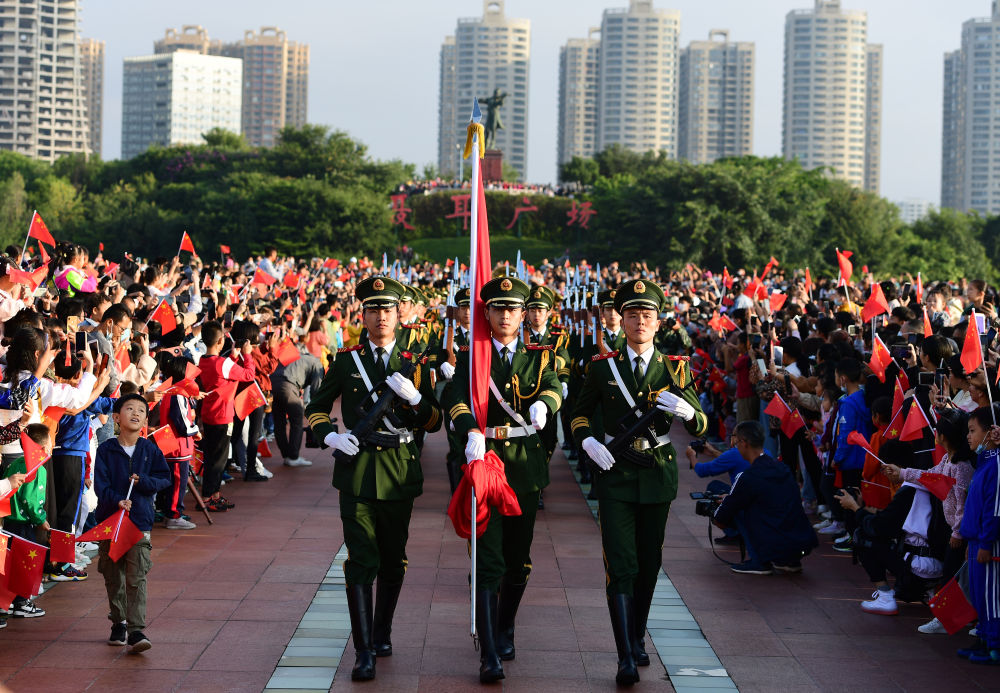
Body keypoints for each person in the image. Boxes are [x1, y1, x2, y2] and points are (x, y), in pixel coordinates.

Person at [305, 276, 441, 682]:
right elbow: (316, 406)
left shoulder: (416, 362)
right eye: (373, 310)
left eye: (388, 309)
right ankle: (363, 650)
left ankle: (382, 632)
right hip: (358, 469)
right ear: (361, 316)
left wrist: (416, 399)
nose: (381, 316)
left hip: (400, 467)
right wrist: (329, 434)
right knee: (361, 558)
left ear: (399, 314)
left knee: (393, 557)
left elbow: (434, 421)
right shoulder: (347, 360)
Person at [572, 278, 707, 685]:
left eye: (647, 315)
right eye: (632, 315)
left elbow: (701, 425)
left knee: (649, 564)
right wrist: (588, 439)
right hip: (615, 476)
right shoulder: (601, 367)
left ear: (659, 321)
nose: (639, 322)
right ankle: (624, 655)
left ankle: (636, 635)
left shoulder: (676, 368)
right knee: (621, 564)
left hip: (656, 474)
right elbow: (579, 414)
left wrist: (687, 411)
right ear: (623, 321)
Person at [444, 275, 563, 683]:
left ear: (524, 312)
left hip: (525, 467)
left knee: (518, 560)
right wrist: (468, 429)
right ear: (487, 313)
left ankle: (505, 625)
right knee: (487, 559)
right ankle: (489, 652)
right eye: (498, 308)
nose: (507, 315)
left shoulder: (539, 356)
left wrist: (546, 405)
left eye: (514, 308)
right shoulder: (473, 356)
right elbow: (455, 397)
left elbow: (553, 386)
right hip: (487, 463)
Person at [94, 393, 171, 654]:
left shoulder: (149, 449)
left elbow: (164, 478)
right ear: (116, 418)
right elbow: (100, 486)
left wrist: (144, 483)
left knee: (137, 576)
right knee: (113, 575)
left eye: (141, 410)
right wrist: (117, 500)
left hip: (139, 522)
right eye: (129, 409)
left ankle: (136, 630)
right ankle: (119, 622)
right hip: (111, 523)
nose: (136, 413)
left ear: (146, 420)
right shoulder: (106, 450)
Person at [713, 421, 819, 575]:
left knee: (738, 508)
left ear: (744, 443)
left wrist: (729, 500)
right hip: (803, 542)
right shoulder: (782, 468)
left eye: (737, 442)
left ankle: (759, 561)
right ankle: (789, 561)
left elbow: (720, 519)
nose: (735, 445)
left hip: (774, 545)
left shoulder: (747, 477)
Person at [196, 321, 257, 512]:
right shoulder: (221, 364)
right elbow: (249, 375)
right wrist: (247, 354)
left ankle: (214, 495)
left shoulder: (204, 360)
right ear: (221, 340)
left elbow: (222, 373)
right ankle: (207, 497)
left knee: (215, 457)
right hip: (222, 415)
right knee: (218, 460)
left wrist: (234, 355)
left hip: (210, 413)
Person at [958, 405, 1000, 663]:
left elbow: (994, 509)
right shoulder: (986, 462)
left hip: (989, 545)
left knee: (992, 594)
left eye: (973, 431)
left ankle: (995, 646)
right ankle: (984, 639)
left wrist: (985, 542)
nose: (968, 436)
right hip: (976, 542)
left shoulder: (996, 466)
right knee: (979, 594)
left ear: (990, 433)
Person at [2, 423, 52, 619]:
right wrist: (41, 519)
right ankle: (22, 602)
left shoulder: (15, 463)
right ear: (44, 446)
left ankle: (8, 601)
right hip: (24, 523)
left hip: (10, 521)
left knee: (10, 563)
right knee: (26, 562)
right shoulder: (38, 468)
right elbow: (32, 501)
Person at [270, 342, 324, 467]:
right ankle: (293, 457)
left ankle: (286, 455)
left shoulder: (300, 356)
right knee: (297, 420)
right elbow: (316, 389)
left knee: (279, 422)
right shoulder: (318, 364)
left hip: (273, 382)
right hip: (288, 385)